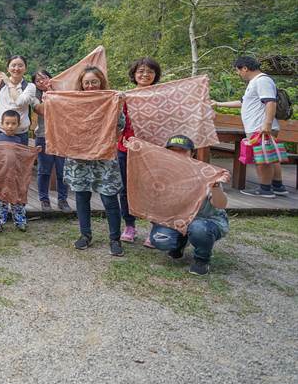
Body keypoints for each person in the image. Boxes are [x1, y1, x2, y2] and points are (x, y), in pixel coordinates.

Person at [64, 67, 126, 257]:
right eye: (87, 82)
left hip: (103, 156)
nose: (90, 86)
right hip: (79, 157)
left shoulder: (111, 100)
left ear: (101, 82)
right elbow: (62, 121)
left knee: (109, 198)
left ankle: (115, 239)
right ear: (81, 85)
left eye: (94, 82)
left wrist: (118, 104)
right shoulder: (73, 102)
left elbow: (120, 126)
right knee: (82, 196)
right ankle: (85, 235)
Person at [148, 135, 231, 276]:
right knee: (159, 239)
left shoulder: (206, 173)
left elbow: (220, 204)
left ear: (192, 154)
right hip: (177, 220)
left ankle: (201, 260)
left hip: (206, 220)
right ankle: (179, 244)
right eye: (173, 150)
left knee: (199, 229)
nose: (177, 154)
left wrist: (215, 185)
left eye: (182, 150)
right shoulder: (163, 175)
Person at [213, 56, 288, 198]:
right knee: (270, 156)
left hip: (260, 127)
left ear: (245, 68)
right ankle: (278, 186)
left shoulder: (262, 81)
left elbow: (271, 102)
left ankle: (265, 189)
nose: (238, 73)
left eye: (238, 70)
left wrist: (266, 124)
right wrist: (218, 103)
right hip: (259, 126)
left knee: (262, 158)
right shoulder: (255, 82)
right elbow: (243, 102)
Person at [118, 57, 162, 245]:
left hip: (153, 149)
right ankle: (129, 226)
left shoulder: (162, 96)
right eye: (141, 71)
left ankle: (154, 228)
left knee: (153, 188)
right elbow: (117, 123)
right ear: (134, 74)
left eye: (150, 71)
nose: (145, 75)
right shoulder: (126, 96)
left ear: (155, 75)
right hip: (126, 147)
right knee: (126, 188)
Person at [32, 70, 70, 213]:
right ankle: (44, 200)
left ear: (51, 78)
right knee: (44, 170)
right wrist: (47, 95)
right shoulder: (34, 96)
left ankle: (63, 200)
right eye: (38, 80)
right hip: (43, 136)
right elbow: (41, 110)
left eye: (45, 78)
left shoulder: (62, 92)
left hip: (61, 136)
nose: (42, 81)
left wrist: (53, 93)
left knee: (62, 170)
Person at [0, 110, 29, 232]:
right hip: (1, 175)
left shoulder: (19, 140)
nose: (10, 126)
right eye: (7, 123)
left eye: (13, 123)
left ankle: (20, 221)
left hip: (15, 176)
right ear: (2, 124)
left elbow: (24, 156)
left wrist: (34, 151)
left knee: (17, 199)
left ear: (18, 125)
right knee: (0, 199)